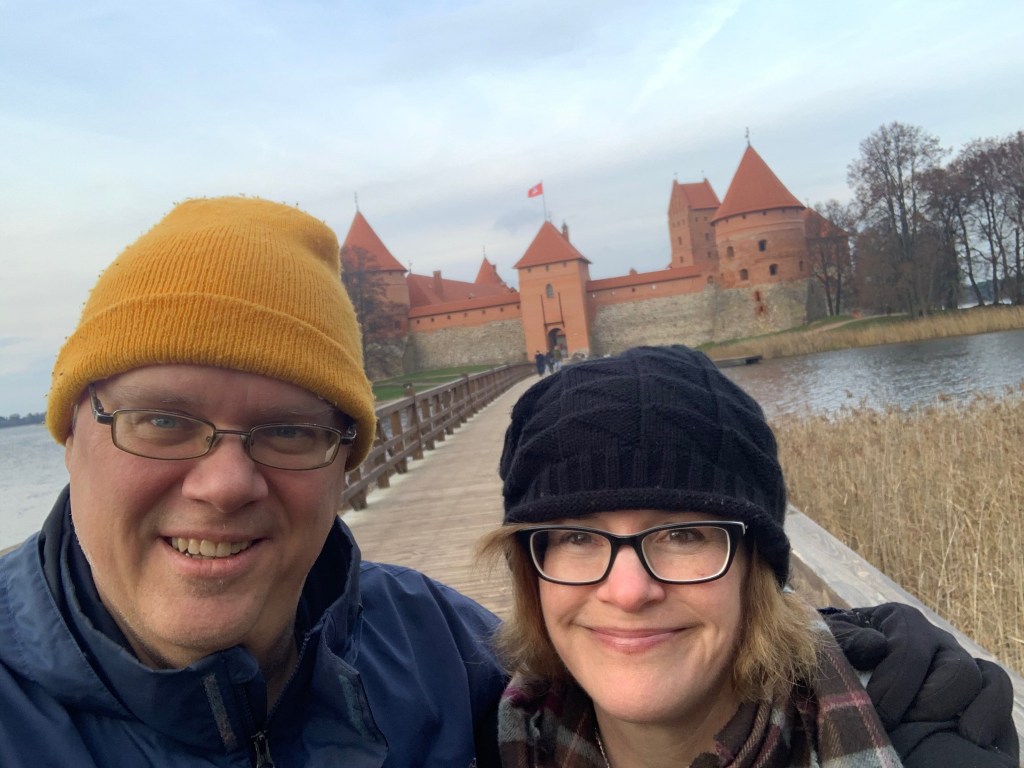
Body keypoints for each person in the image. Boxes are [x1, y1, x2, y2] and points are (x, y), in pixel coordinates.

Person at [0, 197, 505, 766]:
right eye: (162, 422)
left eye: (289, 431)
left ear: (345, 462)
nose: (225, 486)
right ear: (70, 435)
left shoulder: (453, 655)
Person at [480, 345, 1019, 768]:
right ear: (531, 572)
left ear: (755, 566)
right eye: (576, 538)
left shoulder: (920, 741)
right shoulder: (486, 740)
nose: (628, 592)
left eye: (683, 535)